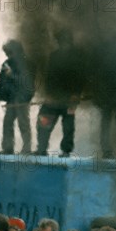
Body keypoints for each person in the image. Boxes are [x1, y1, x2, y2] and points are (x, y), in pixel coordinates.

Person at [36, 29, 85, 157]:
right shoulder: (54, 56)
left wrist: (76, 94)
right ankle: (41, 149)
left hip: (69, 99)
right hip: (54, 97)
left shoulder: (77, 57)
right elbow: (50, 77)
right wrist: (48, 95)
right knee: (43, 122)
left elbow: (80, 77)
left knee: (68, 126)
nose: (62, 44)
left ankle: (65, 151)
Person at [0, 40, 35, 154]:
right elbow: (2, 81)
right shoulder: (7, 63)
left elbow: (26, 82)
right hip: (11, 98)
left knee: (23, 123)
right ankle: (7, 148)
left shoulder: (26, 63)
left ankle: (27, 149)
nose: (8, 55)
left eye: (10, 52)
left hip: (21, 98)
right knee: (7, 123)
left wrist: (11, 75)